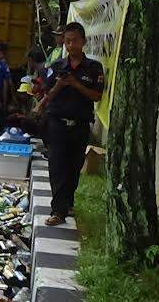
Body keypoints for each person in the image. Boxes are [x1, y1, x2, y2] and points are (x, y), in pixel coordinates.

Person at [35, 22, 103, 226]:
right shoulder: (57, 67)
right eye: (67, 41)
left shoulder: (94, 68)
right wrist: (60, 84)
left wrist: (75, 84)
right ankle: (58, 211)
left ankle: (67, 202)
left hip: (80, 125)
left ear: (83, 41)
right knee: (57, 166)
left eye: (74, 41)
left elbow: (96, 95)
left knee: (74, 168)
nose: (71, 45)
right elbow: (47, 94)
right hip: (57, 123)